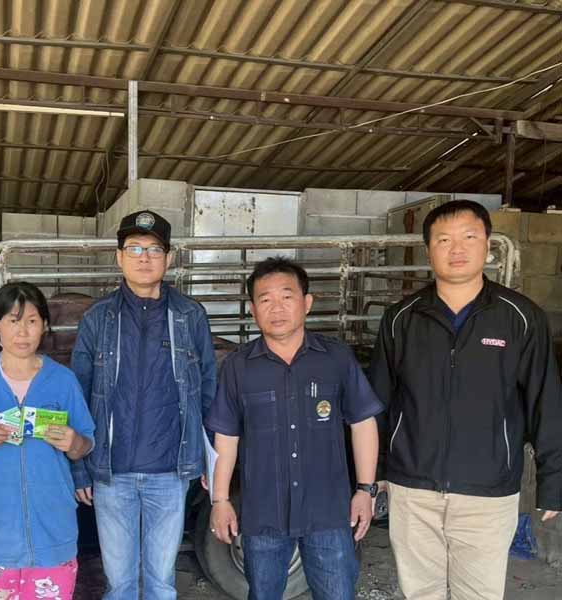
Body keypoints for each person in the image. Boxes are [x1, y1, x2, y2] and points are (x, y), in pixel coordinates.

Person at [370, 200, 562, 600]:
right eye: (444, 240)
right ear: (429, 250)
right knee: (420, 592)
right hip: (413, 488)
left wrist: (553, 482)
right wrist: (377, 472)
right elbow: (381, 401)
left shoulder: (520, 317)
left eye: (469, 237)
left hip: (488, 490)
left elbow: (546, 401)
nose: (456, 248)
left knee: (478, 593)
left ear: (487, 245)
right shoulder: (402, 318)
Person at [206, 256, 383, 600]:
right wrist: (220, 500)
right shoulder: (238, 367)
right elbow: (226, 437)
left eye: (287, 297)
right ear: (253, 310)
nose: (277, 308)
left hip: (328, 512)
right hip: (263, 514)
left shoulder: (336, 358)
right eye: (265, 299)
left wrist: (366, 489)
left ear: (307, 303)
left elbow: (363, 422)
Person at [70, 210, 217, 599]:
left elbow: (208, 390)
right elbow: (78, 397)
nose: (144, 257)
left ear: (169, 258)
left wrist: (210, 460)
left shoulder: (190, 315)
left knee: (161, 583)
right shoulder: (98, 318)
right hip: (111, 474)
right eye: (134, 248)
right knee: (119, 584)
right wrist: (80, 470)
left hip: (169, 473)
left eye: (154, 249)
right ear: (119, 256)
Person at [0, 281, 95, 600]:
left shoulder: (62, 380)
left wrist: (74, 443)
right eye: (13, 321)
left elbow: (86, 442)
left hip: (52, 532)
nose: (23, 332)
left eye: (32, 321)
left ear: (44, 325)